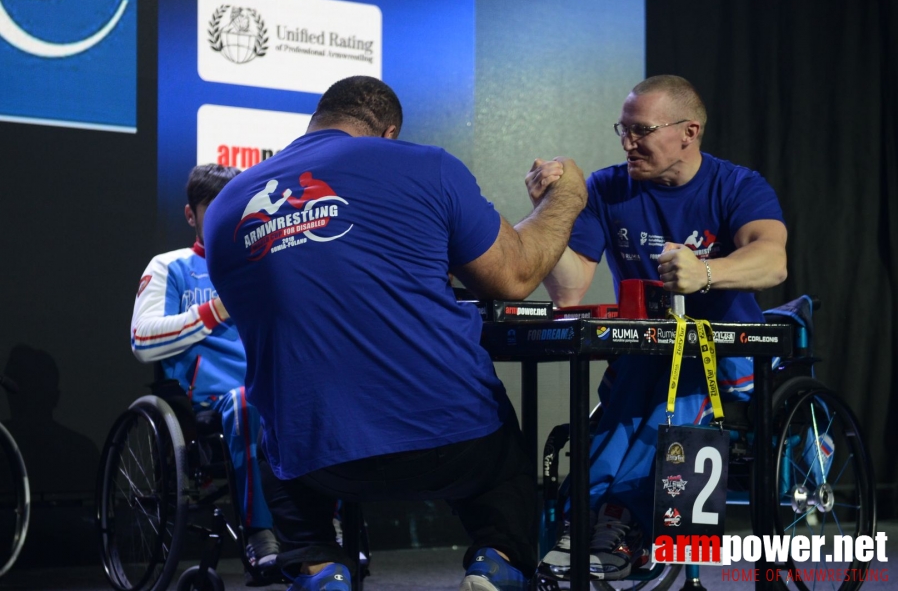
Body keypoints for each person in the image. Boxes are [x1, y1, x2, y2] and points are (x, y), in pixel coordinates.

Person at [203, 75, 587, 591]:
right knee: (507, 470)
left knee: (279, 443)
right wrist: (564, 200)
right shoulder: (427, 164)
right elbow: (515, 276)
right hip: (450, 440)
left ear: (317, 121)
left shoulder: (226, 207)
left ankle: (319, 566)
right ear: (387, 134)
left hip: (316, 454)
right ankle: (494, 563)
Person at [531, 75, 788, 581]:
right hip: (645, 355)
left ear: (688, 131)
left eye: (640, 131)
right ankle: (599, 519)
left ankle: (615, 518)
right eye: (622, 130)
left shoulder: (738, 184)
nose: (627, 143)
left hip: (727, 354)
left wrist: (706, 272)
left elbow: (772, 261)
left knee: (683, 366)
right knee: (642, 374)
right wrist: (548, 211)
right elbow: (567, 291)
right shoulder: (607, 188)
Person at [129, 164, 278, 578]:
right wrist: (214, 310)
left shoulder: (262, 267)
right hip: (208, 401)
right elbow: (143, 339)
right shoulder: (170, 267)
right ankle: (261, 534)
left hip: (267, 386)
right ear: (191, 215)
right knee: (247, 400)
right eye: (213, 208)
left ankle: (327, 528)